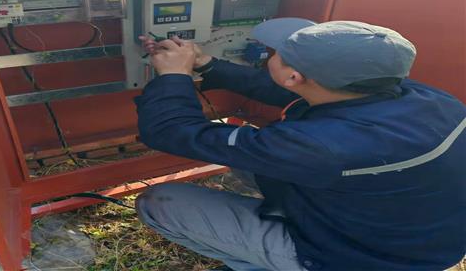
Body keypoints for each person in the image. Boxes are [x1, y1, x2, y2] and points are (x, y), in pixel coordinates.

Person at [134, 18, 466, 271]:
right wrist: (208, 64)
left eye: (280, 54)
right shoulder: (426, 97)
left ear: (293, 76)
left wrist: (173, 76)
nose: (273, 54)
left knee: (160, 203)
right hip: (420, 237)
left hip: (363, 258)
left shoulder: (320, 147)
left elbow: (168, 131)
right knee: (248, 155)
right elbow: (300, 90)